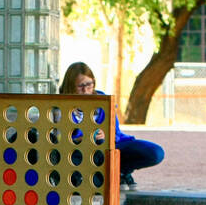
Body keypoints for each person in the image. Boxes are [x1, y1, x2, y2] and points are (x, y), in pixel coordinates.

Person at [59, 62, 164, 190]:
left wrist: (107, 135)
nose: (86, 90)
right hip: (80, 151)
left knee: (155, 152)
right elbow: (60, 140)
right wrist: (83, 138)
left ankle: (121, 172)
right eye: (80, 86)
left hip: (108, 145)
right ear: (71, 87)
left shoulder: (102, 99)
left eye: (89, 84)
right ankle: (106, 177)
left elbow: (116, 132)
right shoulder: (62, 106)